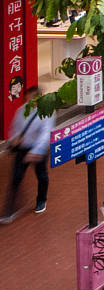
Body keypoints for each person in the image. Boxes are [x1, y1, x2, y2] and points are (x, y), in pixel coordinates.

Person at [1, 88, 53, 221]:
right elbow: (15, 128)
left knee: (42, 175)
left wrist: (35, 151)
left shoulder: (46, 112)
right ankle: (9, 210)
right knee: (16, 177)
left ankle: (41, 200)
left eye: (32, 98)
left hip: (38, 150)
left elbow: (45, 134)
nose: (29, 101)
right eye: (28, 98)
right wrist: (14, 139)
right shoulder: (21, 110)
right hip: (23, 149)